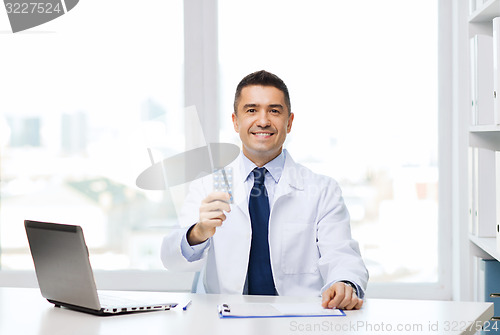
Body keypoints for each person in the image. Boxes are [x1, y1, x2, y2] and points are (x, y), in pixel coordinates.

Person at [161, 70, 368, 310]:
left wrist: (344, 283)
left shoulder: (322, 190)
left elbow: (342, 254)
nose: (263, 121)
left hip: (298, 318)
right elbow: (171, 259)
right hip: (226, 322)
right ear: (235, 122)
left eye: (274, 110)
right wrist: (198, 232)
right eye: (251, 110)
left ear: (289, 122)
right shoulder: (207, 185)